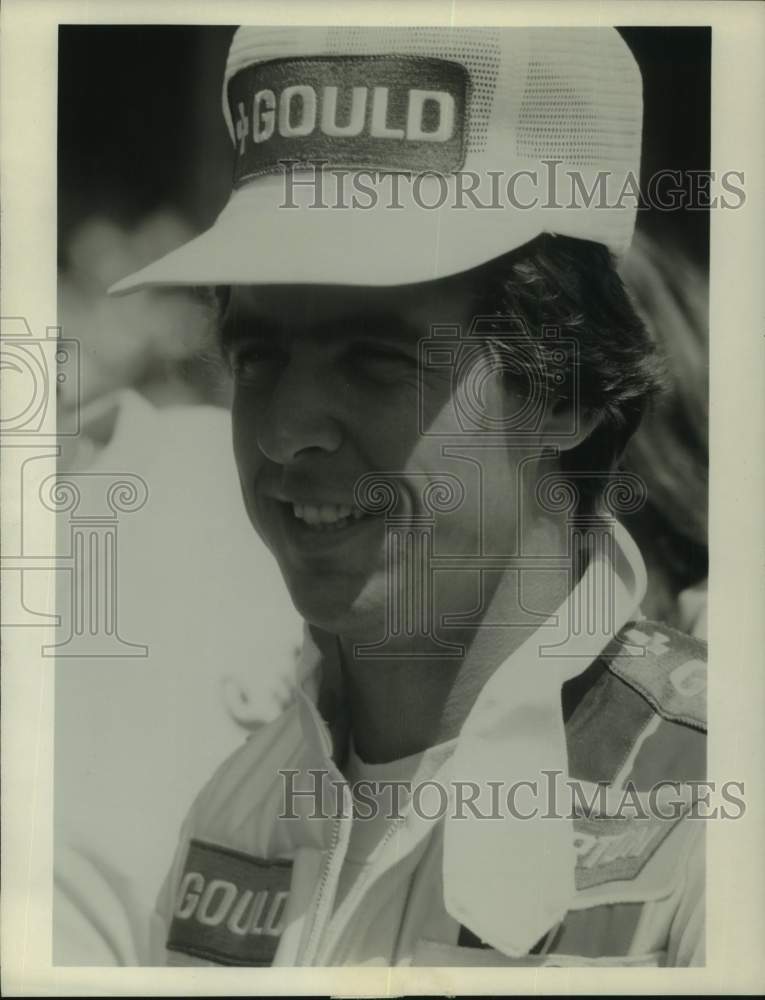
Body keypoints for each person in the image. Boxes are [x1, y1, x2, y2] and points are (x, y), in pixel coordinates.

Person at [108, 26, 707, 967]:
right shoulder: (236, 812)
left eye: (376, 360)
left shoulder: (710, 813)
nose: (283, 430)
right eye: (258, 355)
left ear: (567, 388)